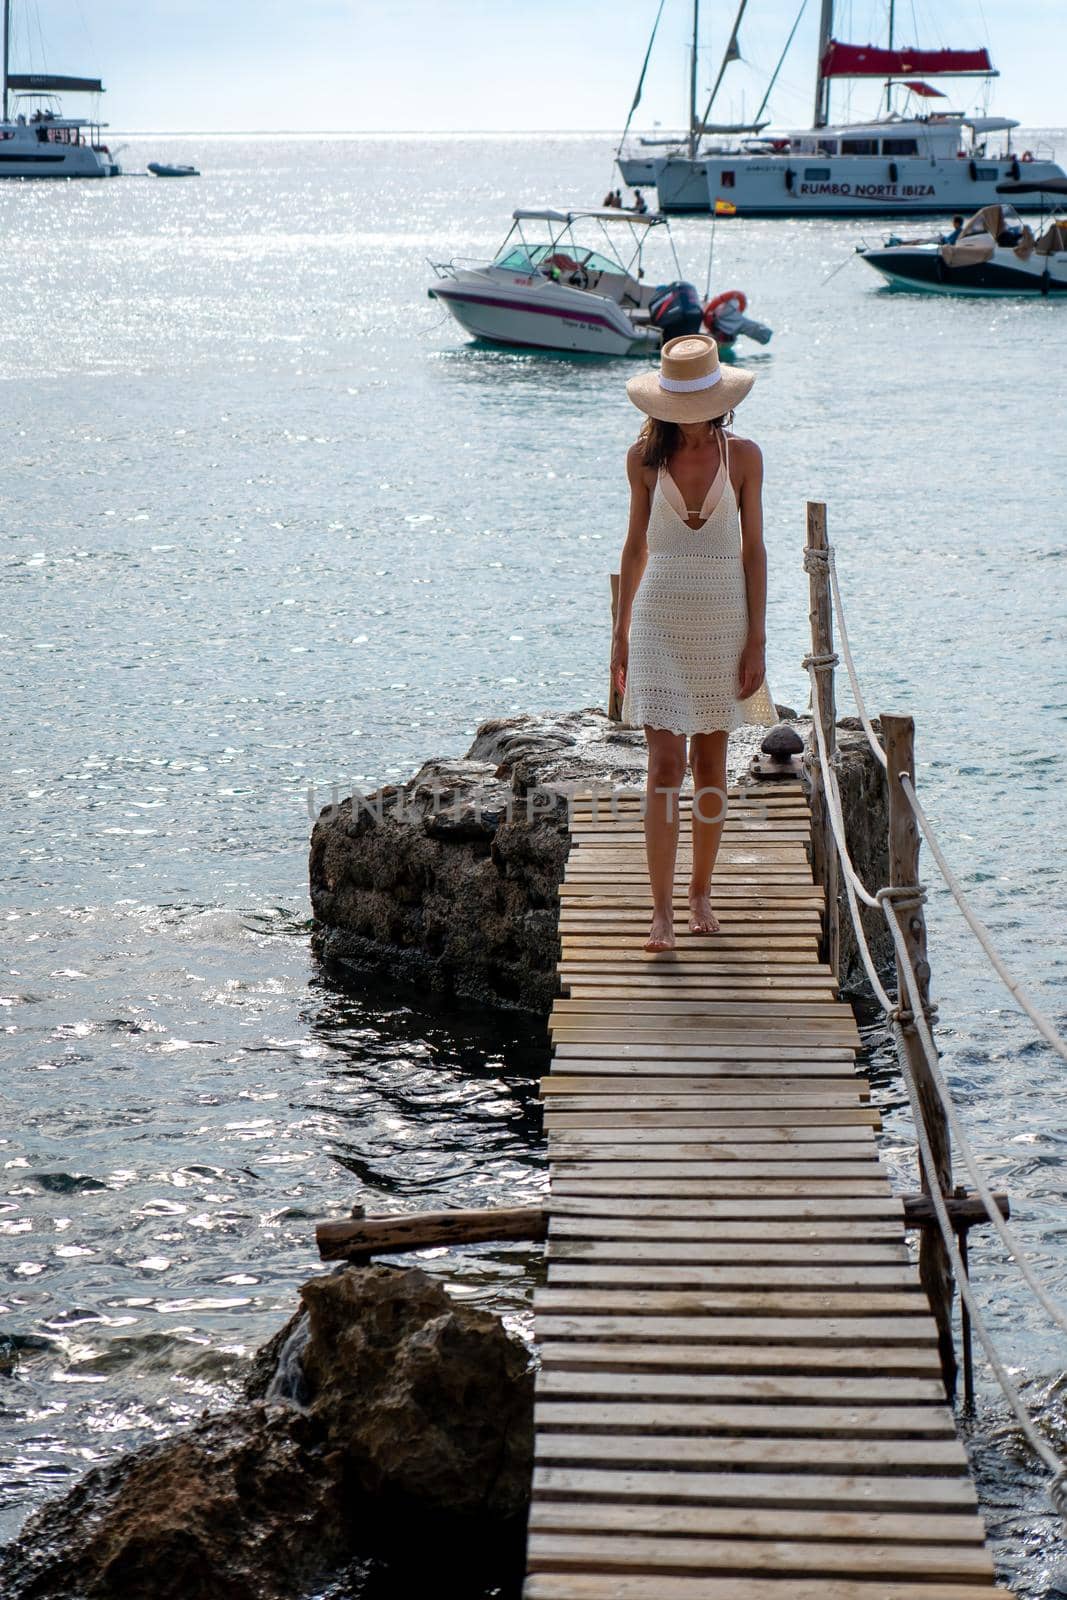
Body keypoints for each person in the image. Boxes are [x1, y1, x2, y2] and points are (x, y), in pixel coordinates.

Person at [611, 334, 776, 952]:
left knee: (711, 766)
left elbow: (755, 551)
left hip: (724, 621)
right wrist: (620, 637)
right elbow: (634, 550)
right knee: (662, 767)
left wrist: (757, 638)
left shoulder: (746, 457)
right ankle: (660, 911)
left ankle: (699, 891)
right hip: (658, 619)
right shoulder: (643, 461)